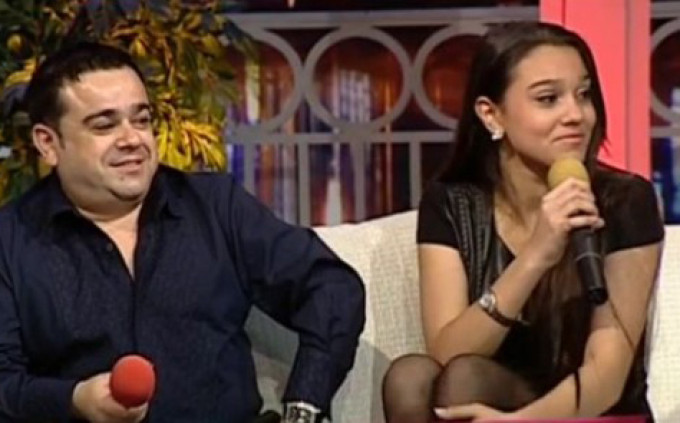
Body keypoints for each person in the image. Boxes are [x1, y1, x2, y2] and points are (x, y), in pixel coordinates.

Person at [0, 42, 365, 423]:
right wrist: (74, 400)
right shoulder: (10, 241)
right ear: (48, 143)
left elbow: (332, 288)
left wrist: (304, 405)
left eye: (141, 120)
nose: (132, 139)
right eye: (105, 125)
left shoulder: (215, 207)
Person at [382, 21, 663, 423]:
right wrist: (535, 257)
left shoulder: (625, 201)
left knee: (464, 381)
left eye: (584, 95)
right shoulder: (452, 203)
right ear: (491, 114)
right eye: (548, 99)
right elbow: (447, 352)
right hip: (486, 390)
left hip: (593, 411)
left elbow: (607, 375)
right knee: (411, 378)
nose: (575, 115)